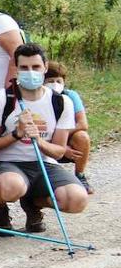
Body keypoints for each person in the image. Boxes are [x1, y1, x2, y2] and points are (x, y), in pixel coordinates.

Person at [0, 44, 89, 235]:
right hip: (8, 163)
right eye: (24, 68)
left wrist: (38, 141)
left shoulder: (61, 102)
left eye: (35, 67)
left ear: (45, 67)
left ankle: (32, 203)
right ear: (16, 68)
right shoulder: (0, 99)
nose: (30, 72)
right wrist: (16, 134)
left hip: (44, 163)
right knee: (10, 187)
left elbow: (58, 151)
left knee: (77, 200)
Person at [45, 60, 92, 194]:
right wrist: (59, 147)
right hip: (43, 139)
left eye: (58, 81)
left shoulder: (70, 96)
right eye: (50, 80)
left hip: (64, 137)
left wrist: (61, 139)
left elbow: (82, 123)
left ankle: (80, 175)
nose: (55, 84)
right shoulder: (38, 97)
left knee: (82, 136)